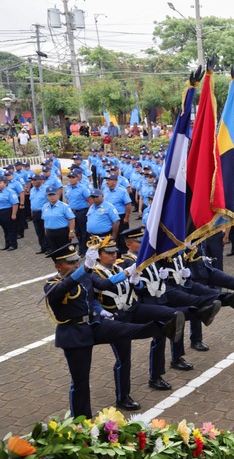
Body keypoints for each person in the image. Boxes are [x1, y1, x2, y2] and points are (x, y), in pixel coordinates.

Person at [44, 242, 182, 418]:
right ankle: (82, 419)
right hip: (74, 333)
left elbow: (105, 284)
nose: (75, 265)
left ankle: (163, 329)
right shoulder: (51, 284)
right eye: (70, 263)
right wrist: (85, 268)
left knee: (126, 330)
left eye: (76, 262)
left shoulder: (85, 274)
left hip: (93, 324)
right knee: (80, 381)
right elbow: (63, 288)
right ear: (58, 266)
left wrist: (127, 272)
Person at [42, 186, 76, 251]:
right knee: (55, 252)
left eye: (53, 195)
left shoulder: (64, 206)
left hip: (62, 232)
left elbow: (71, 219)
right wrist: (46, 230)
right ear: (47, 196)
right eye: (49, 195)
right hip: (50, 232)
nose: (52, 197)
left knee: (66, 251)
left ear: (58, 195)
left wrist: (71, 231)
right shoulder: (45, 206)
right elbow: (45, 220)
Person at [0, 177, 19, 250]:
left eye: (0, 183)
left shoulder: (10, 191)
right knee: (5, 229)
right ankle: (7, 244)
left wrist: (14, 214)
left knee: (11, 229)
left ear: (5, 183)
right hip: (0, 212)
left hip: (7, 211)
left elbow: (15, 203)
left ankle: (13, 244)